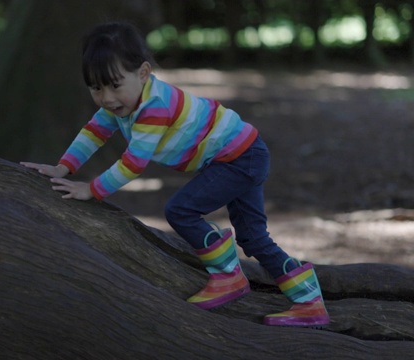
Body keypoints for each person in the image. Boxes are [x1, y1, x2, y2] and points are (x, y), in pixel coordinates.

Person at [21, 21, 329, 328]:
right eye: (95, 88)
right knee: (251, 236)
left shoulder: (154, 106)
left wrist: (92, 189)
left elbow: (133, 163)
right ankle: (308, 300)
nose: (106, 98)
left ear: (142, 73)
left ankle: (228, 277)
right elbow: (93, 133)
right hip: (242, 153)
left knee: (181, 210)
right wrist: (63, 167)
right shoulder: (122, 106)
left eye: (114, 85)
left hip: (239, 158)